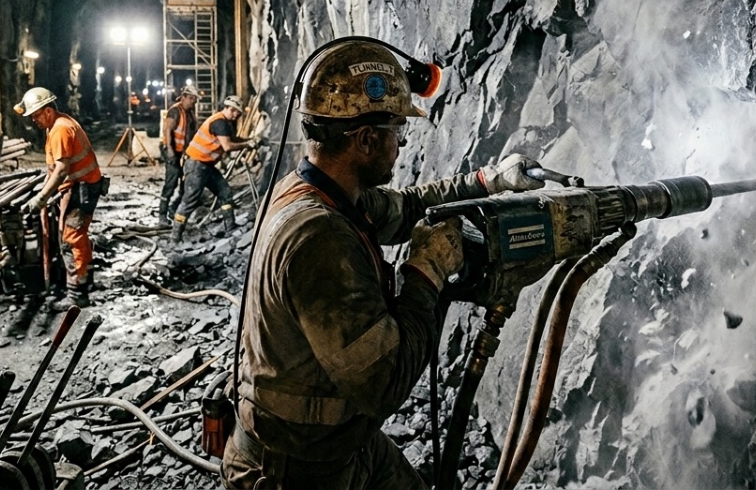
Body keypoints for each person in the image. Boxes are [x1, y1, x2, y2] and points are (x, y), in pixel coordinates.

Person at [221, 40, 545, 488]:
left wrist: (488, 181)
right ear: (367, 139)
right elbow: (385, 383)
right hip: (299, 470)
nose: (401, 143)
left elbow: (410, 206)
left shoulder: (320, 192)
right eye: (397, 131)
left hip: (340, 442)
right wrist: (426, 271)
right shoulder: (321, 237)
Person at [16, 87, 106, 309]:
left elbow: (62, 169)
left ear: (47, 111)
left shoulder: (60, 129)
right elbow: (57, 166)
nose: (33, 121)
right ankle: (82, 280)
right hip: (77, 186)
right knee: (73, 237)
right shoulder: (55, 125)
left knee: (71, 238)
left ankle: (78, 295)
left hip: (80, 189)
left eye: (35, 116)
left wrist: (42, 197)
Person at [169, 94, 257, 242]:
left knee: (225, 192)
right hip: (196, 165)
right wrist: (247, 145)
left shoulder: (225, 123)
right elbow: (227, 146)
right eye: (234, 111)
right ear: (227, 108)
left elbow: (233, 140)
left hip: (206, 166)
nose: (236, 115)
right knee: (189, 201)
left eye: (239, 113)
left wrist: (251, 140)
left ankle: (230, 228)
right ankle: (174, 238)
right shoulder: (219, 122)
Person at [159, 86, 200, 221]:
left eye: (195, 99)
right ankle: (162, 215)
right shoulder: (175, 111)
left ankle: (173, 209)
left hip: (182, 151)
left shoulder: (190, 113)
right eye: (191, 98)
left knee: (185, 180)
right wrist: (169, 149)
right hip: (171, 150)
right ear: (183, 97)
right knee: (171, 181)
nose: (193, 101)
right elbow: (167, 130)